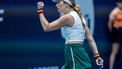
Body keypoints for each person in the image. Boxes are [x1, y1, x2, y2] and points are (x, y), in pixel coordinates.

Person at [37, 0, 103, 69]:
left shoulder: (68, 17)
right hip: (78, 51)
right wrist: (97, 56)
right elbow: (91, 40)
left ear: (67, 4)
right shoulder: (81, 18)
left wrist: (40, 10)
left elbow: (47, 27)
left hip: (73, 51)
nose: (56, 5)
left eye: (59, 2)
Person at [108, 0, 122, 69]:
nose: (121, 4)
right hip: (117, 33)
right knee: (114, 52)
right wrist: (113, 33)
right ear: (117, 3)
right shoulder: (114, 12)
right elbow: (109, 24)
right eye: (120, 3)